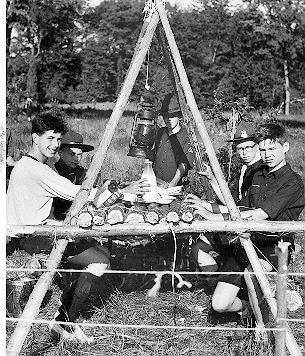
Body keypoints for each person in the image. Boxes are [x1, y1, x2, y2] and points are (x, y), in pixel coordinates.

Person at [6, 110, 149, 341]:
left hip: (38, 230)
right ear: (35, 138)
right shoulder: (37, 170)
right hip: (36, 237)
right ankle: (64, 320)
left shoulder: (27, 163)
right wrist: (122, 191)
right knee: (100, 260)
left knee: (100, 249)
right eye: (49, 138)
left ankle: (68, 309)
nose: (55, 145)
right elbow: (79, 194)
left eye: (58, 139)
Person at [186, 123, 305, 321]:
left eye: (272, 149)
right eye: (264, 149)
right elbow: (240, 209)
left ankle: (262, 326)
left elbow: (257, 215)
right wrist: (210, 207)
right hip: (248, 241)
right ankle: (248, 309)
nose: (267, 154)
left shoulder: (293, 183)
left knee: (252, 273)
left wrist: (211, 217)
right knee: (219, 304)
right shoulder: (257, 174)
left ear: (285, 147)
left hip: (276, 248)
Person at [192, 121, 264, 276]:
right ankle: (215, 281)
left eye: (248, 147)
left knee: (204, 245)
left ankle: (225, 284)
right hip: (236, 222)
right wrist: (210, 183)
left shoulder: (262, 172)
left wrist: (210, 214)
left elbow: (247, 211)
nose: (244, 152)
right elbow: (231, 203)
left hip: (252, 233)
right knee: (198, 247)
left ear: (257, 145)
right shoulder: (245, 168)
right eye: (240, 148)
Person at [151, 92, 195, 187]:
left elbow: (185, 163)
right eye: (166, 116)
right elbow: (151, 157)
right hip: (156, 183)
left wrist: (173, 183)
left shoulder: (186, 136)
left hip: (175, 186)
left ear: (179, 116)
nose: (168, 119)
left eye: (172, 116)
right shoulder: (160, 133)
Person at [52, 130, 94, 221]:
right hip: (57, 216)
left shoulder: (80, 171)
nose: (76, 158)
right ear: (60, 153)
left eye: (79, 154)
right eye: (72, 154)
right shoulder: (54, 171)